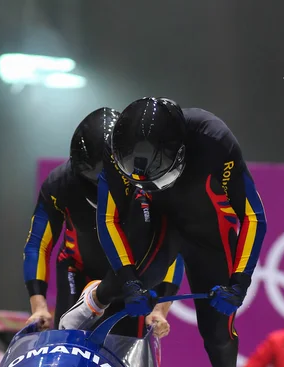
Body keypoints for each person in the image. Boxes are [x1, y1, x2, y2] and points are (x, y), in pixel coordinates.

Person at [60, 97, 267, 367]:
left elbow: (252, 216)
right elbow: (107, 218)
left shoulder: (215, 140)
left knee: (216, 329)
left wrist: (240, 281)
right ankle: (97, 298)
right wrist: (125, 280)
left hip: (208, 236)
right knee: (138, 278)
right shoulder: (118, 149)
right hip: (156, 221)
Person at [23, 107, 183, 338]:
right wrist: (38, 306)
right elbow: (38, 244)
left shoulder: (149, 186)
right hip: (78, 274)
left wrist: (159, 311)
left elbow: (170, 250)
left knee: (126, 359)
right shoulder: (59, 184)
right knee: (65, 345)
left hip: (129, 283)